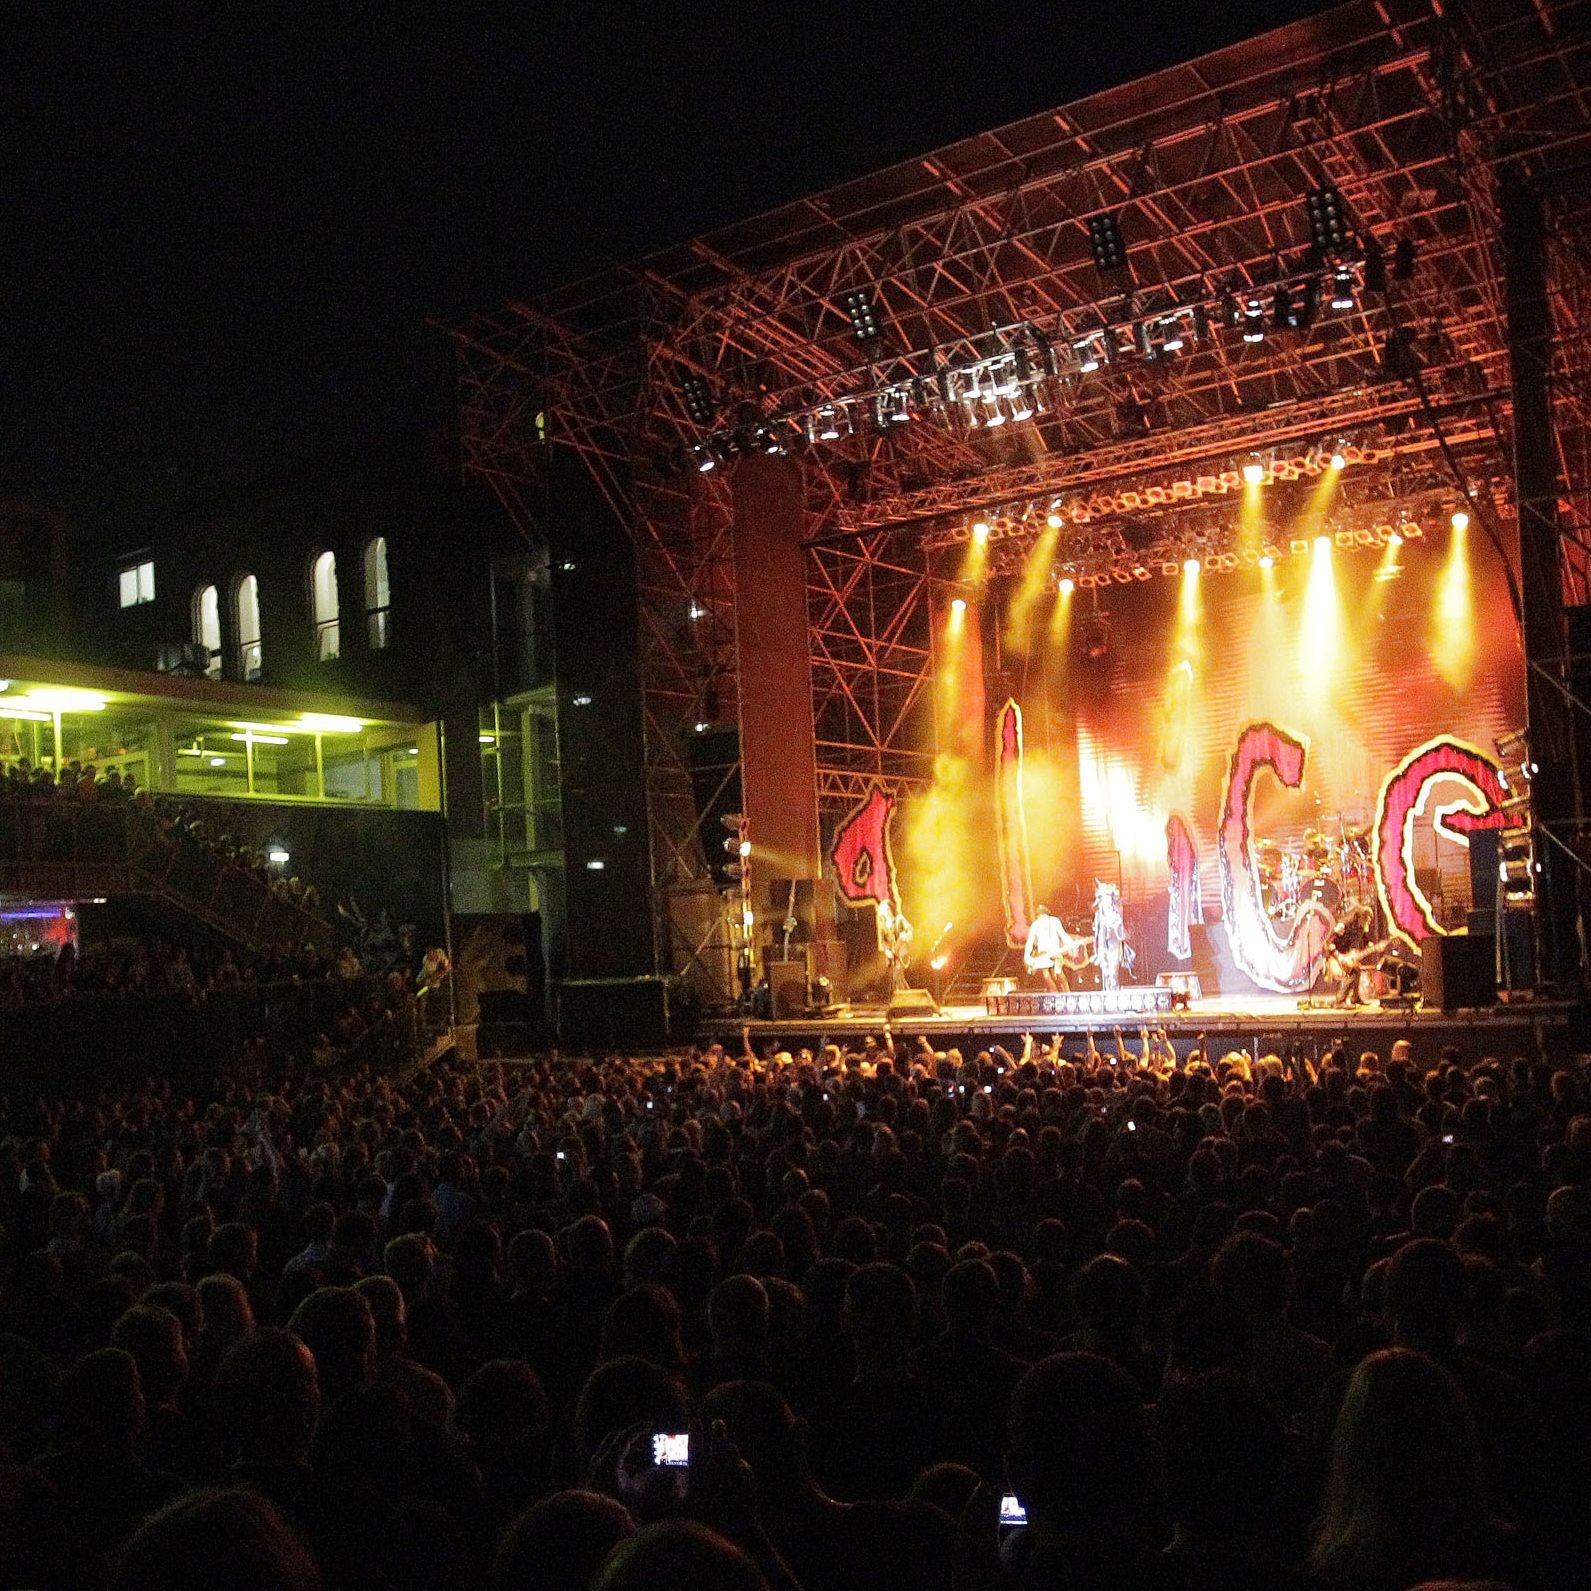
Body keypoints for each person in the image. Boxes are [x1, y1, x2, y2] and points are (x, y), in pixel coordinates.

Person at [1022, 904, 1085, 992]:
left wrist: (1071, 944)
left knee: (1058, 972)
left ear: (1046, 914)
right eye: (1039, 915)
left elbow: (1062, 935)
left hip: (1055, 952)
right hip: (1043, 954)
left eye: (1042, 915)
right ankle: (1054, 994)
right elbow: (1029, 942)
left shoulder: (1054, 921)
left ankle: (1067, 993)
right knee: (1046, 975)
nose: (1040, 917)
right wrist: (1027, 957)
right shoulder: (1035, 925)